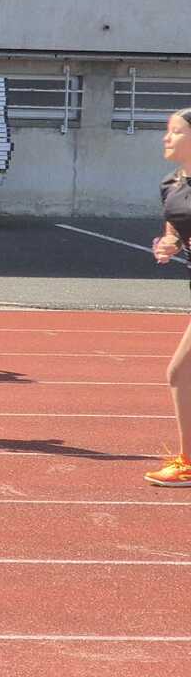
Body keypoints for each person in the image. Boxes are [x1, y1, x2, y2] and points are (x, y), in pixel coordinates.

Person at [144, 107, 191, 486]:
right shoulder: (171, 183)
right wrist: (169, 243)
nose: (166, 137)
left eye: (175, 131)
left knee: (180, 371)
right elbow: (175, 226)